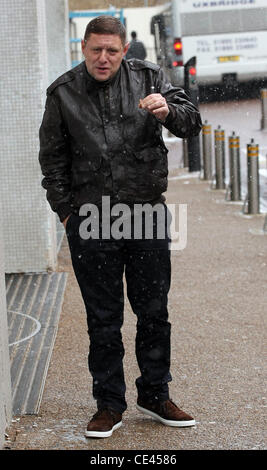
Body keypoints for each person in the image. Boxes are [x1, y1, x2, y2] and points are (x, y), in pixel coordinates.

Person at [39, 15, 202, 439]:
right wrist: (66, 214)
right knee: (103, 319)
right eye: (96, 49)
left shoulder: (150, 78)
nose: (104, 58)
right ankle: (109, 404)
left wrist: (167, 109)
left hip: (145, 214)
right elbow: (52, 160)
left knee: (153, 311)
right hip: (92, 221)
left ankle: (155, 393)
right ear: (84, 48)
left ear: (124, 50)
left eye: (112, 50)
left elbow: (191, 122)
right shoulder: (63, 92)